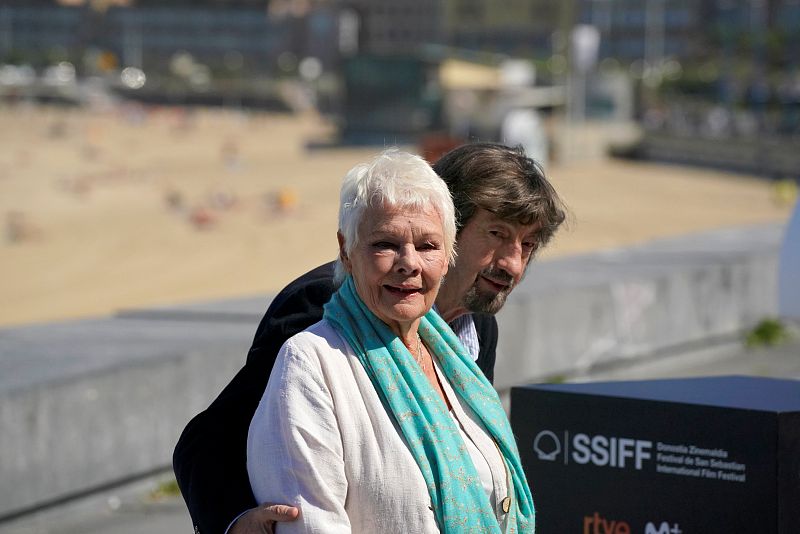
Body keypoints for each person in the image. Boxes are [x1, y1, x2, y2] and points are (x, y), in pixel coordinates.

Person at [173, 143, 567, 534]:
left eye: (528, 244)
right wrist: (235, 521)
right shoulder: (321, 310)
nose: (514, 263)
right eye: (497, 234)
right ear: (452, 225)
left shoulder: (476, 326)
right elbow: (210, 439)